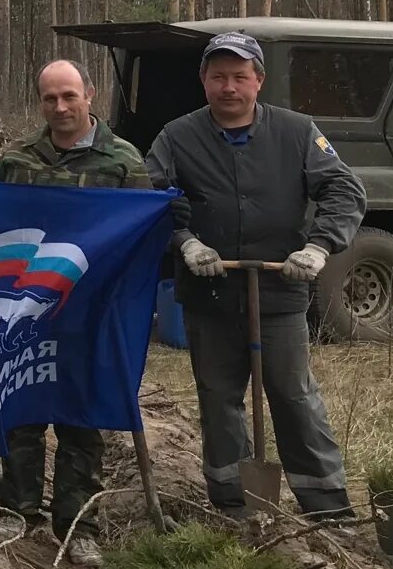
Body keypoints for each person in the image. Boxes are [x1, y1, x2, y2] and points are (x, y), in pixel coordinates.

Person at [145, 32, 364, 521]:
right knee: (219, 401)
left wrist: (319, 245)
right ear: (203, 80)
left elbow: (344, 191)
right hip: (211, 293)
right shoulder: (176, 137)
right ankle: (233, 503)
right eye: (218, 76)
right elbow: (147, 201)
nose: (229, 87)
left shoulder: (298, 132)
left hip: (280, 292)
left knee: (293, 396)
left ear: (258, 81)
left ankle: (327, 508)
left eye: (240, 77)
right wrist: (185, 242)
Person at [0, 59, 153, 562]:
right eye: (49, 98)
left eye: (69, 96)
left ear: (90, 94)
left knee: (81, 416)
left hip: (92, 314)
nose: (60, 107)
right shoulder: (17, 161)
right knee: (21, 410)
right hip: (27, 311)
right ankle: (20, 514)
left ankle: (79, 525)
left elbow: (141, 241)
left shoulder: (123, 162)